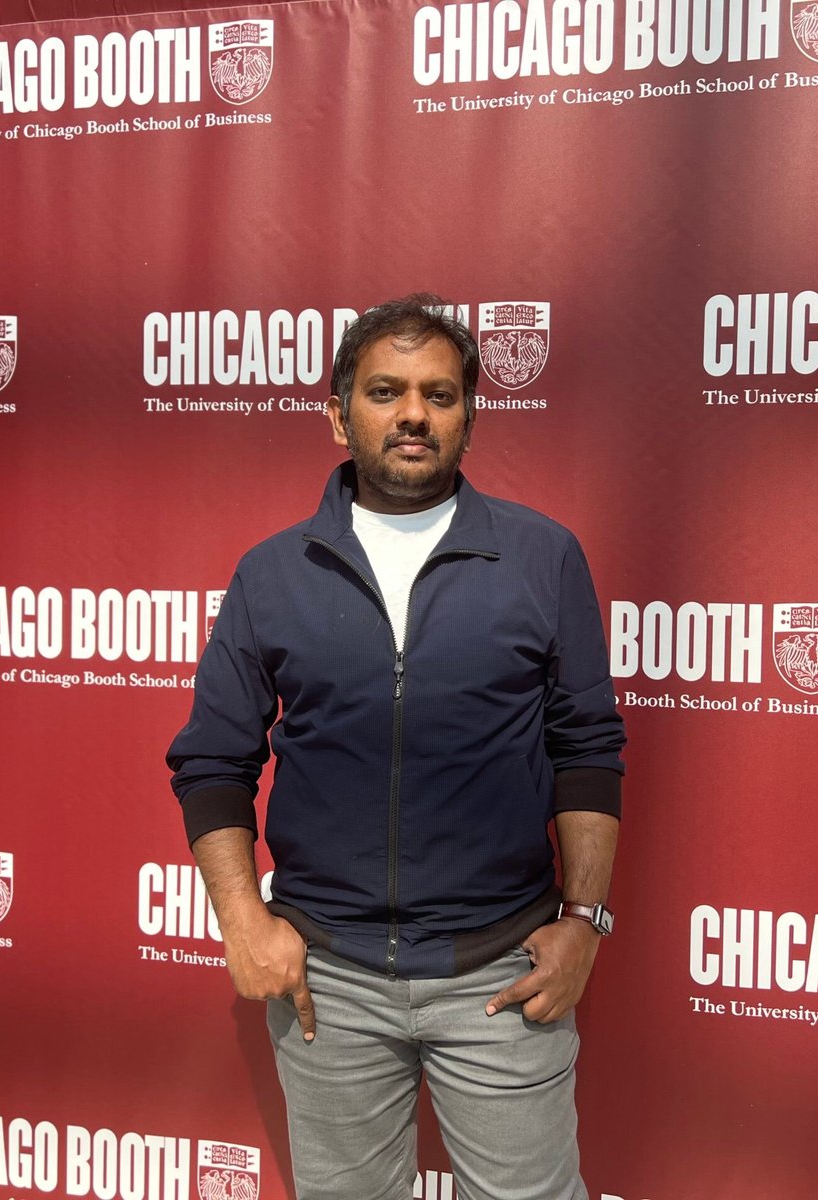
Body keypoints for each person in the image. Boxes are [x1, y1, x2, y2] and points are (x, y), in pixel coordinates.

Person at [166, 294, 625, 1200]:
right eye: (385, 391)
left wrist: (583, 923)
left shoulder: (543, 558)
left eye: (438, 395)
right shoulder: (273, 573)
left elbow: (587, 751)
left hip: (501, 976)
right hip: (326, 984)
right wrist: (243, 920)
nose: (413, 413)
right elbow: (213, 762)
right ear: (340, 416)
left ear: (468, 418)